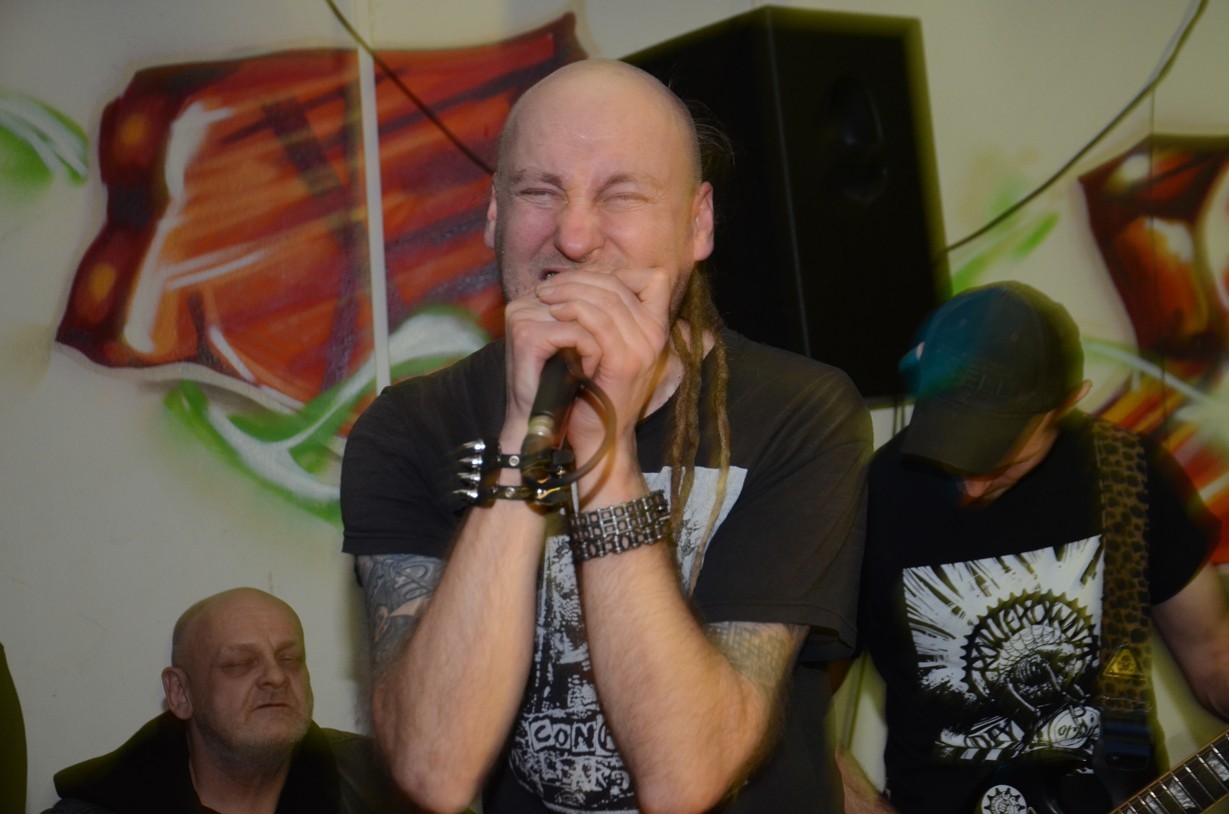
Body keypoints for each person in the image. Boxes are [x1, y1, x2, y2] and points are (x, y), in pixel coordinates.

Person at [340, 58, 872, 814]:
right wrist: (526, 438)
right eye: (539, 192)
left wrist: (603, 453)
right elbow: (435, 769)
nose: (574, 236)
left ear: (697, 223)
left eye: (621, 195)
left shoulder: (801, 412)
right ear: (493, 215)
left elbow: (686, 776)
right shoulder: (409, 428)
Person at [839, 281, 1229, 814]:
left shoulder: (1127, 475)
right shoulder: (866, 501)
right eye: (953, 445)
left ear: (1067, 403)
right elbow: (794, 713)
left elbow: (1213, 655)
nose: (972, 484)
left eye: (1003, 456)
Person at [44, 587, 411, 814]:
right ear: (180, 694)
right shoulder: (104, 805)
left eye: (290, 659)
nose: (276, 677)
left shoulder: (388, 787)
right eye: (239, 664)